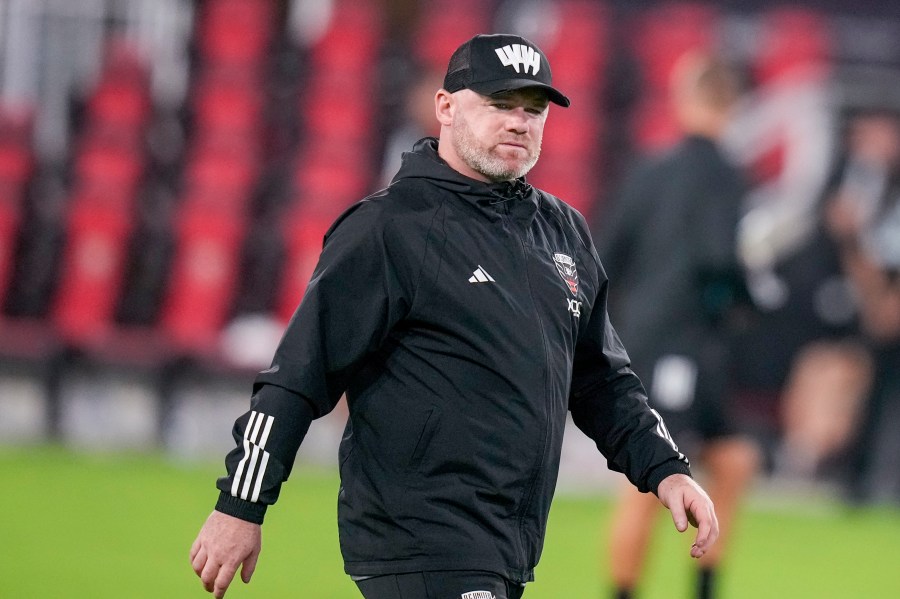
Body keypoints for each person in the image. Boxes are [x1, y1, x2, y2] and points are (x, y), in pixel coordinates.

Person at [190, 33, 718, 599]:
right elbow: (296, 378)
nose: (519, 122)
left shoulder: (563, 232)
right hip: (420, 538)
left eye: (533, 110)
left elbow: (600, 380)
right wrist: (240, 505)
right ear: (445, 107)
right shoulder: (389, 229)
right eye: (499, 104)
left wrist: (665, 469)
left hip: (507, 546)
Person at [597, 53, 758, 599]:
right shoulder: (725, 177)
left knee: (735, 461)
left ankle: (705, 587)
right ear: (732, 107)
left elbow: (605, 256)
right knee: (652, 481)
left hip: (653, 343)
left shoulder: (649, 170)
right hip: (680, 349)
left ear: (684, 98)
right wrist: (748, 294)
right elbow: (720, 257)